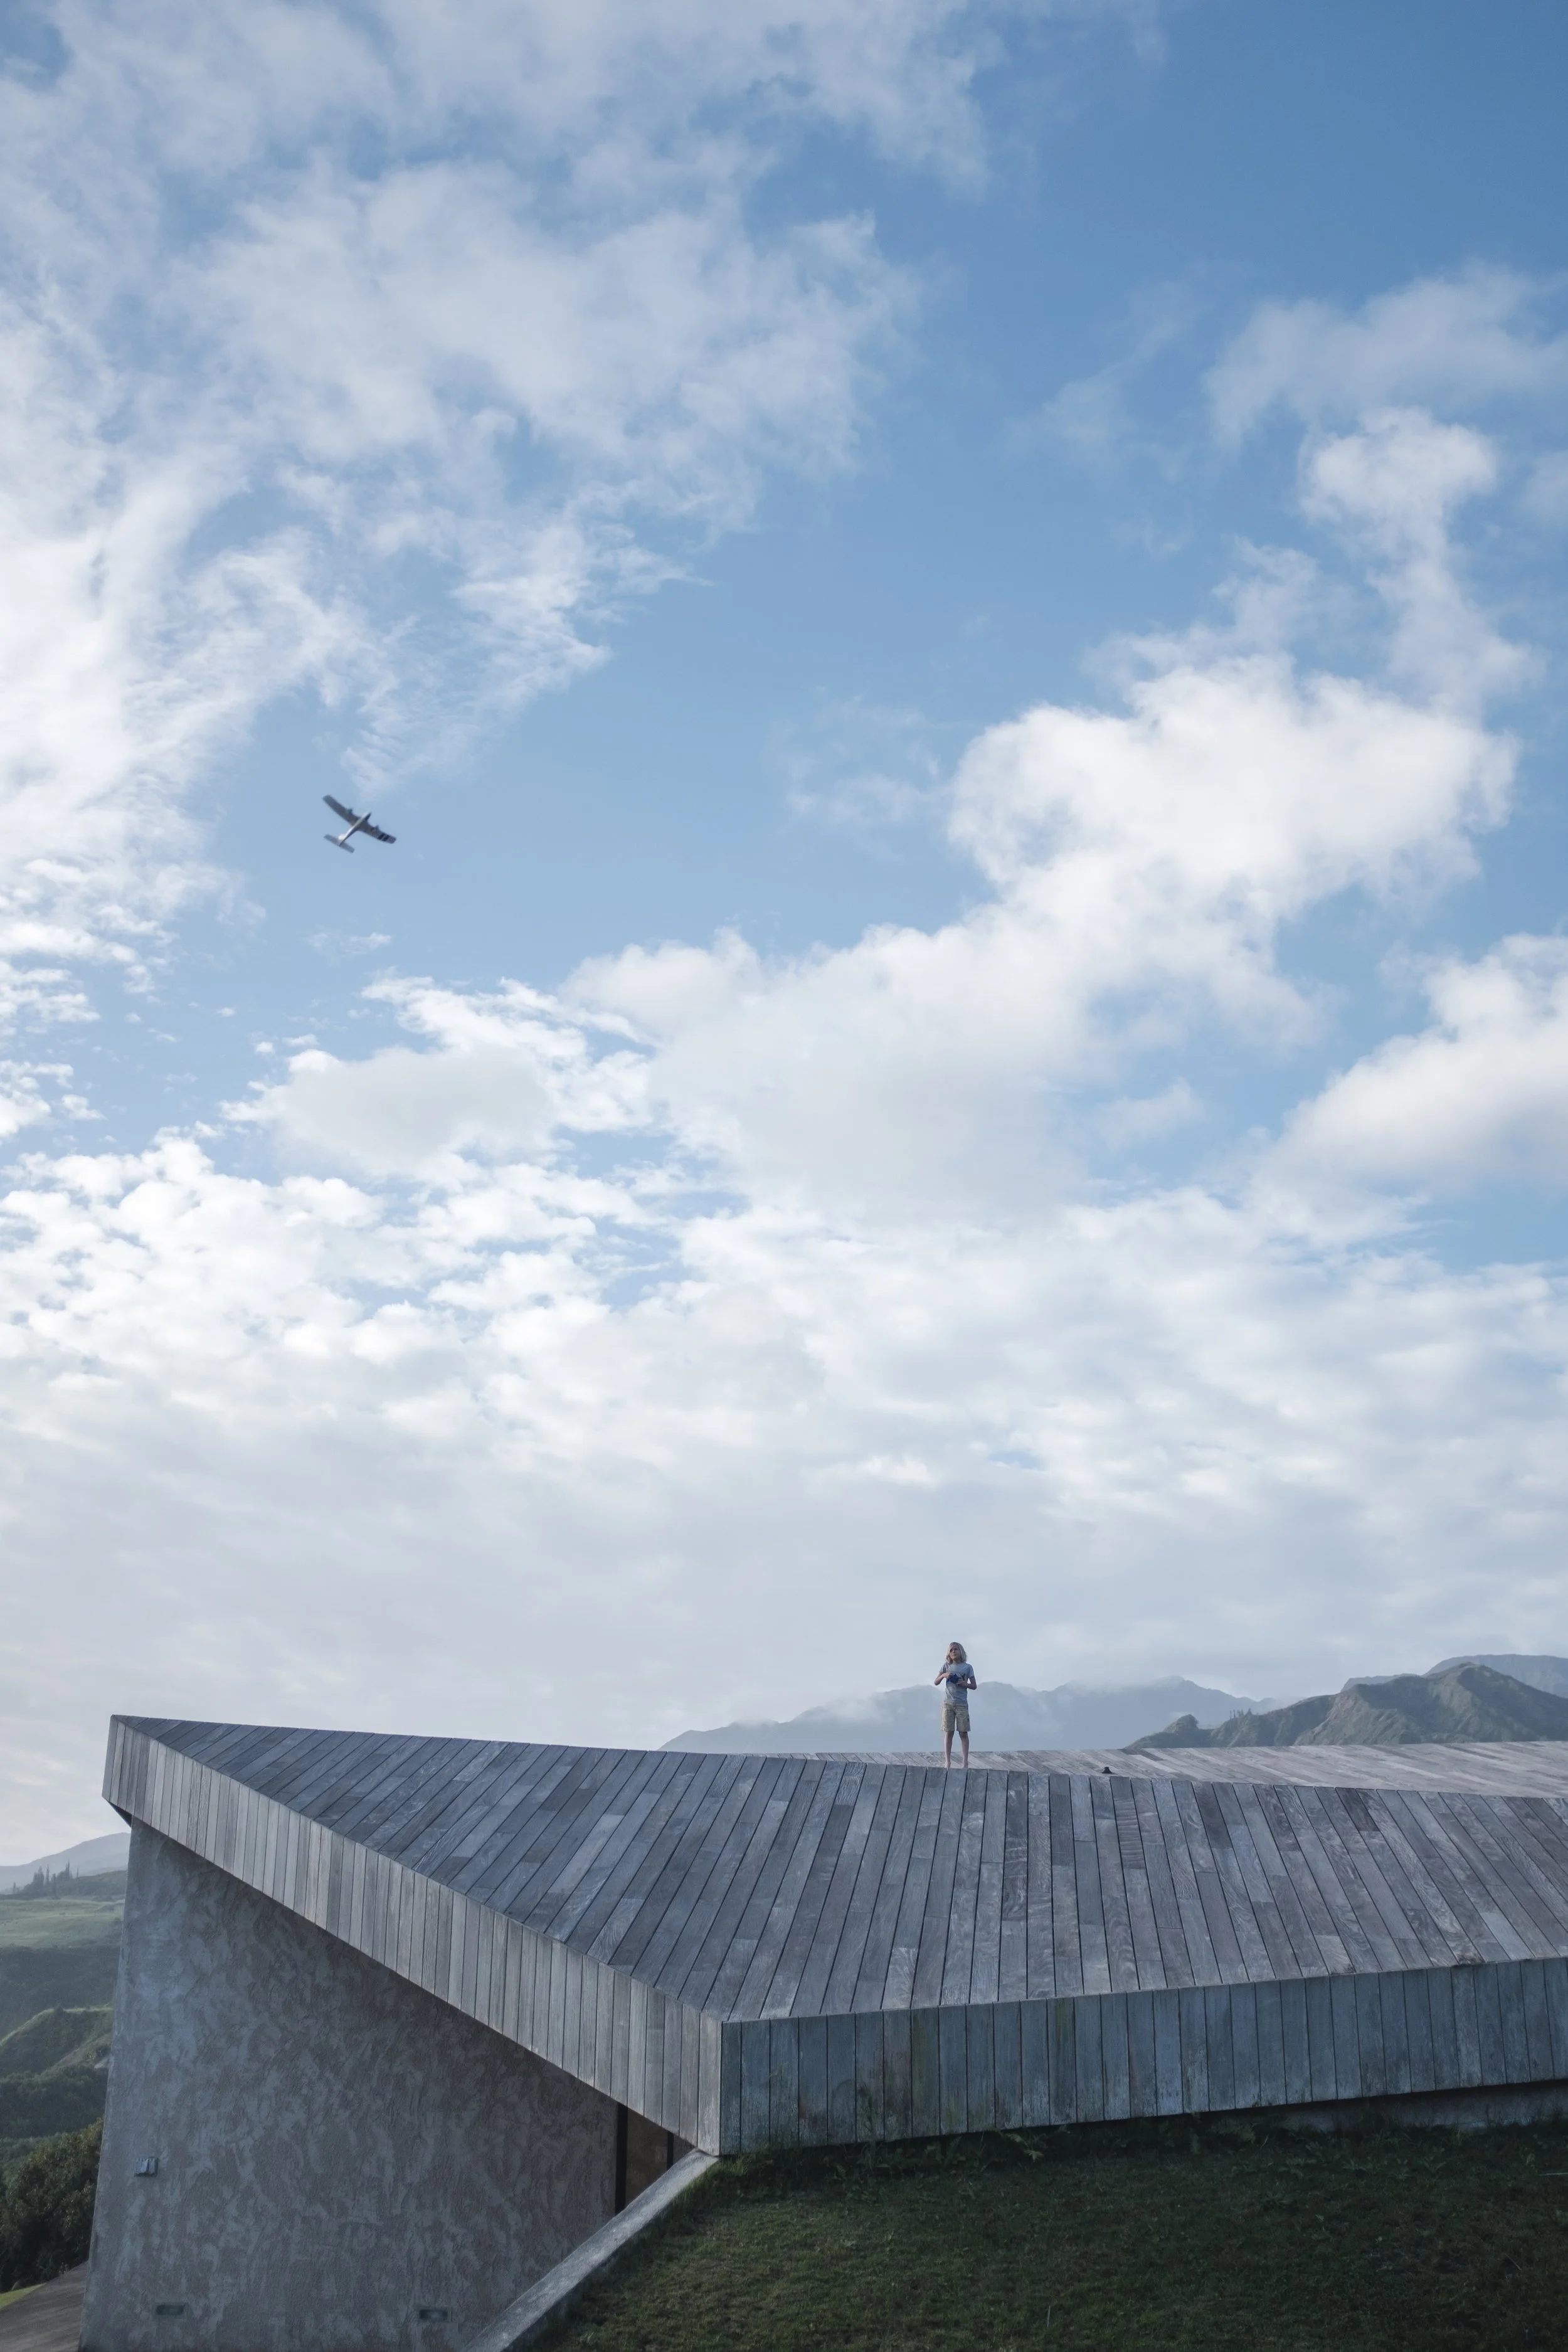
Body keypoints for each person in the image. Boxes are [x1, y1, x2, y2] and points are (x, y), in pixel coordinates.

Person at [935, 1641, 977, 1767]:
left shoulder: (967, 1668)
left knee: (963, 1733)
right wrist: (944, 1675)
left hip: (962, 1704)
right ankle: (948, 1761)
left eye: (956, 1649)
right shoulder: (946, 1666)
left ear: (961, 1652)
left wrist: (965, 1685)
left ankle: (965, 1762)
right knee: (949, 1732)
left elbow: (974, 1686)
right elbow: (936, 1682)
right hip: (948, 1703)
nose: (953, 1652)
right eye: (951, 1650)